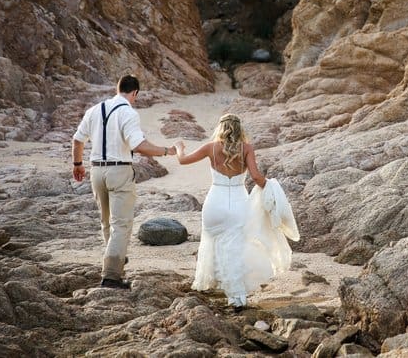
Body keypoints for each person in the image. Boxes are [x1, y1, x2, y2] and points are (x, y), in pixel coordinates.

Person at [176, 113, 296, 311]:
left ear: (221, 128)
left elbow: (182, 160)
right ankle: (237, 296)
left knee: (214, 244)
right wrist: (272, 187)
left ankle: (220, 286)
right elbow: (257, 177)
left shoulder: (210, 148)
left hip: (215, 203)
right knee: (235, 250)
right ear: (240, 129)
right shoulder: (247, 148)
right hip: (239, 203)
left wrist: (179, 148)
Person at [72, 74, 176, 290]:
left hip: (96, 171)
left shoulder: (94, 109)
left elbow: (77, 139)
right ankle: (111, 276)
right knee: (121, 224)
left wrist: (78, 164)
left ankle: (115, 257)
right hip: (119, 171)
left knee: (106, 221)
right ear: (134, 93)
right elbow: (139, 146)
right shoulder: (128, 112)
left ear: (117, 88)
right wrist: (166, 151)